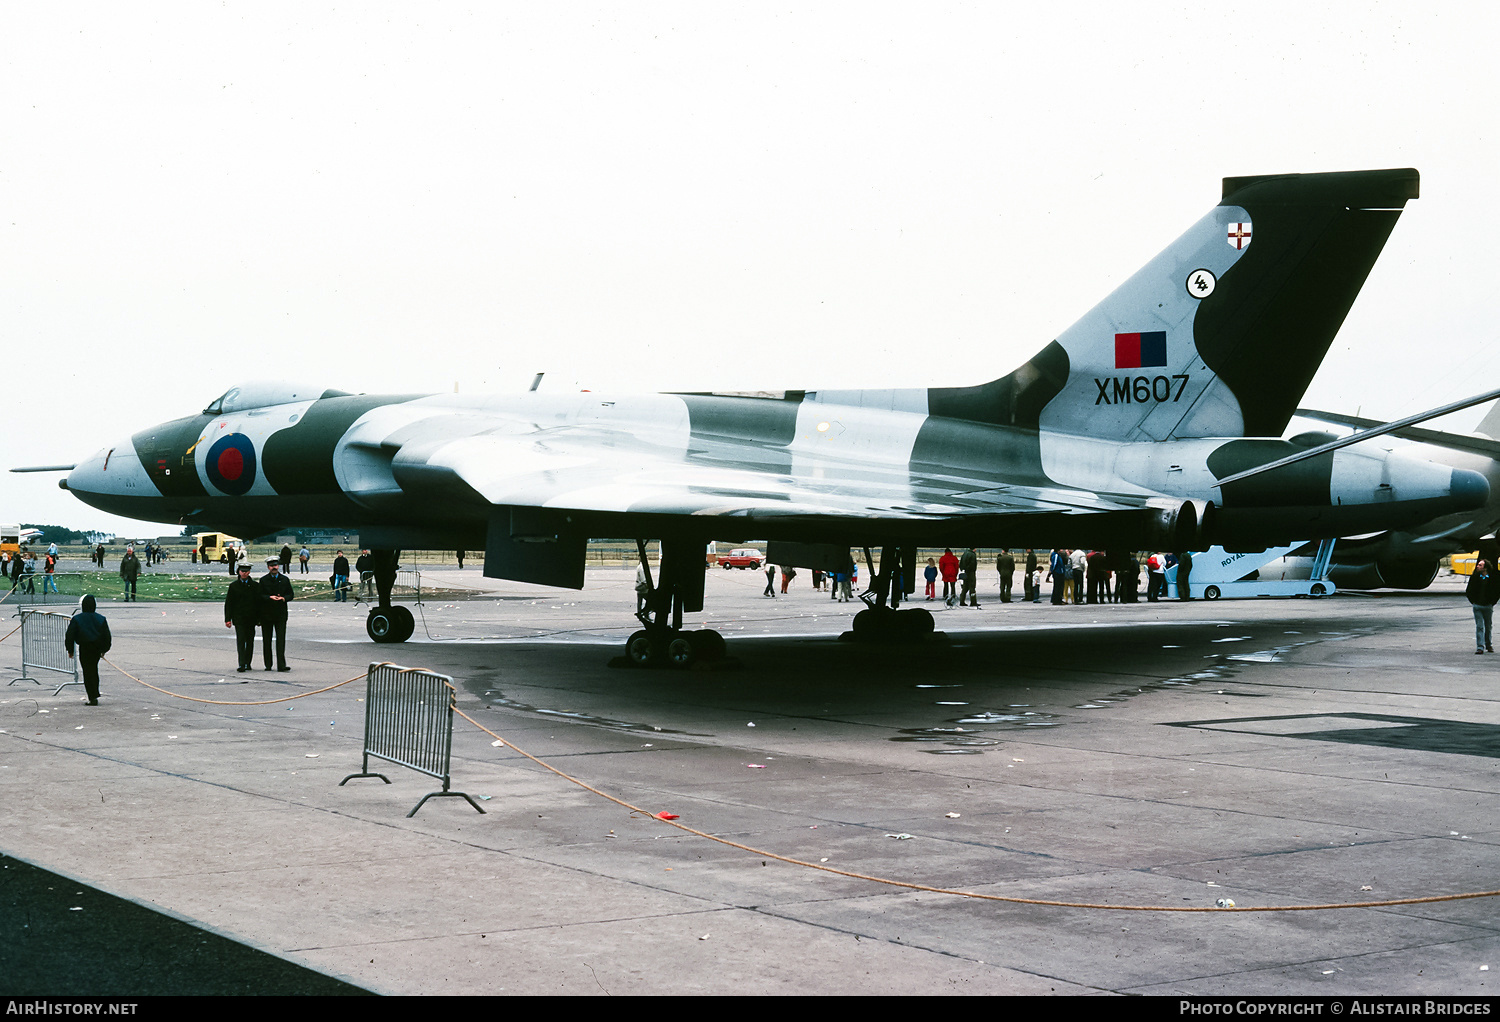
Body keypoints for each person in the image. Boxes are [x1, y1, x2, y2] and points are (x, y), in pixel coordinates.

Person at [65, 595, 112, 705]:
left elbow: (70, 635)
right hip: (96, 648)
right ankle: (94, 693)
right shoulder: (101, 618)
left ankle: (92, 696)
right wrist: (104, 649)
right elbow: (107, 636)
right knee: (94, 670)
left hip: (85, 647)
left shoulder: (77, 619)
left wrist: (70, 649)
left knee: (87, 671)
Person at [224, 561, 261, 673]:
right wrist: (227, 619)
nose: (244, 573)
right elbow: (229, 603)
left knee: (250, 641)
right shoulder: (234, 586)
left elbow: (259, 604)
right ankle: (241, 664)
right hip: (239, 618)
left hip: (251, 618)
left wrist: (259, 619)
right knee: (240, 641)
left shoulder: (255, 586)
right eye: (242, 571)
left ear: (249, 572)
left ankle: (248, 663)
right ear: (239, 572)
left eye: (246, 571)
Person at [258, 557, 294, 672]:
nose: (274, 567)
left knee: (281, 640)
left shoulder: (284, 579)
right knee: (267, 641)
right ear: (268, 567)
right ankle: (268, 664)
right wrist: (269, 597)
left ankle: (281, 665)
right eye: (272, 566)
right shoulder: (263, 580)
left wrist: (284, 598)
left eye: (276, 565)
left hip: (280, 614)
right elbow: (259, 596)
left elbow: (291, 594)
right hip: (267, 614)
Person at [1467, 558, 1500, 654]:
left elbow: (1496, 591)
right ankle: (1480, 647)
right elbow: (1469, 590)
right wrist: (1473, 602)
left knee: (1488, 626)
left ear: (1485, 568)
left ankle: (1488, 644)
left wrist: (1492, 602)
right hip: (1477, 606)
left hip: (1487, 606)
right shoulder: (1475, 577)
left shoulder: (1493, 578)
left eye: (1480, 565)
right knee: (1480, 626)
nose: (1477, 566)